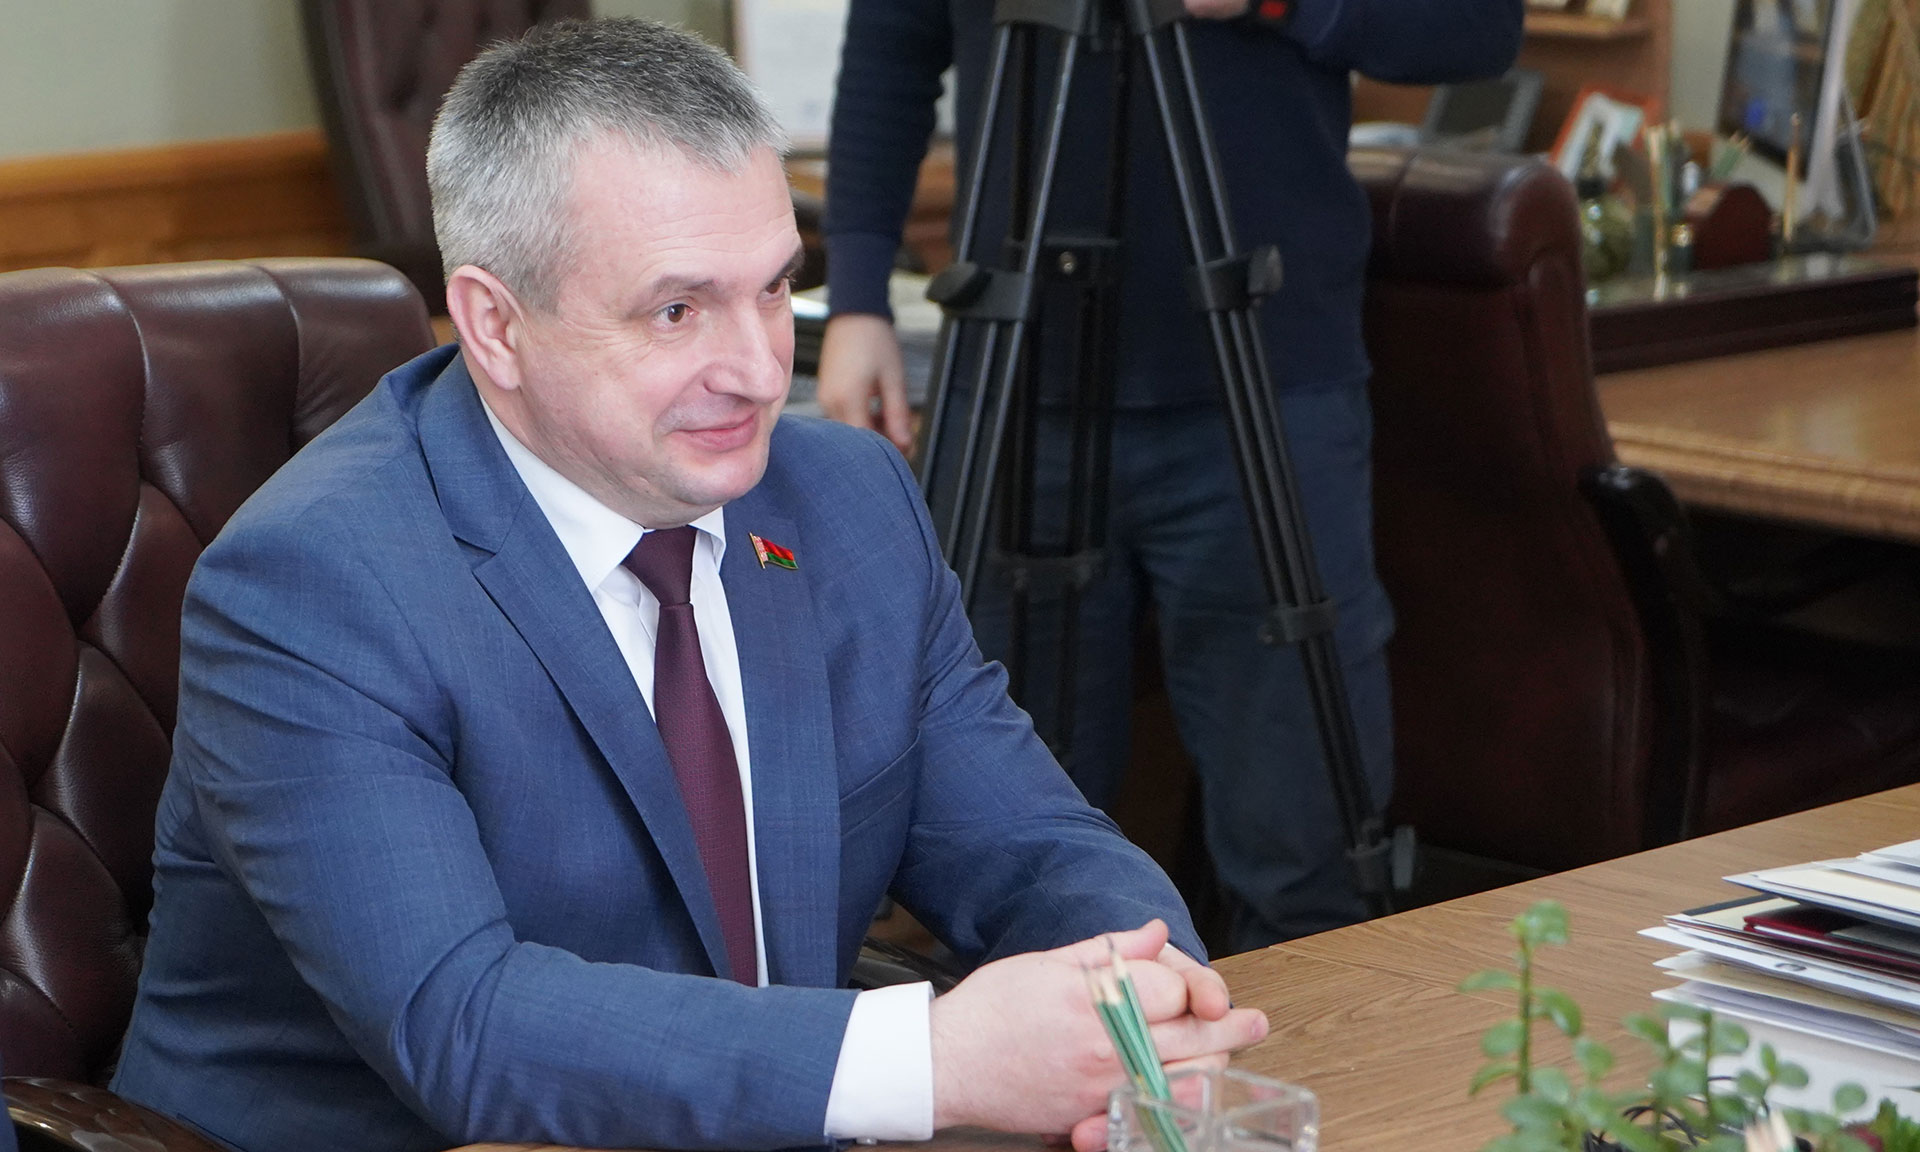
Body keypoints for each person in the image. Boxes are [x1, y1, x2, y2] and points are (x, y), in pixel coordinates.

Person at [107, 19, 1266, 1152]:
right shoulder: (316, 584)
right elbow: (461, 1024)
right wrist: (934, 1060)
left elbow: (1031, 843)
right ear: (495, 325)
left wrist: (1148, 989)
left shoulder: (846, 501)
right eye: (677, 310)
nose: (759, 371)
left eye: (775, 289)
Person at [817, 0, 1525, 948]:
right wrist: (857, 295)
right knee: (993, 856)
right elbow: (891, 47)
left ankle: (1308, 1051)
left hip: (1268, 378)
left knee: (1304, 854)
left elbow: (1478, 28)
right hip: (1021, 377)